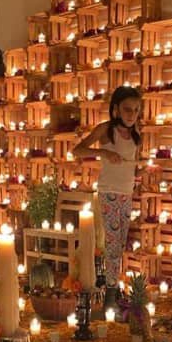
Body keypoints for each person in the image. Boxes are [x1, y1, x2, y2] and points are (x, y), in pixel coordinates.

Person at [73, 85, 141, 309]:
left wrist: (143, 172)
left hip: (127, 193)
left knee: (120, 244)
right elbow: (78, 150)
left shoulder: (135, 136)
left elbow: (131, 166)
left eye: (136, 110)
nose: (132, 114)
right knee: (112, 244)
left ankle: (113, 287)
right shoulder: (105, 130)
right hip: (109, 192)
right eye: (127, 109)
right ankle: (111, 294)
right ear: (116, 110)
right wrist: (103, 152)